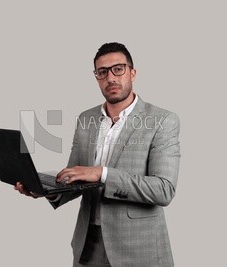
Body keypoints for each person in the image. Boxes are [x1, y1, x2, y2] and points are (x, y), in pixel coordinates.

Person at [14, 42, 181, 267]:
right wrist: (44, 190)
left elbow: (163, 190)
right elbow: (76, 179)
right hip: (88, 247)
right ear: (96, 77)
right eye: (102, 72)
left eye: (118, 69)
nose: (111, 77)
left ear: (133, 72)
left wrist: (102, 173)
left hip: (139, 250)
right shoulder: (86, 119)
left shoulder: (162, 120)